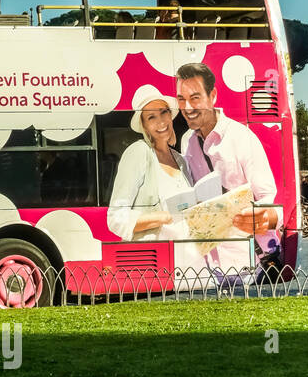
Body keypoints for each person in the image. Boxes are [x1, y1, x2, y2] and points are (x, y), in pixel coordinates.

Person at [176, 61, 279, 277]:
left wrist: (260, 216)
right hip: (209, 263)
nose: (187, 108)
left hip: (249, 261)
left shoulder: (242, 138)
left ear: (212, 96)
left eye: (195, 98)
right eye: (181, 99)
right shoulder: (187, 142)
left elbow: (271, 202)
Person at [106, 86, 204, 281]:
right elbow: (116, 218)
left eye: (163, 112)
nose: (160, 122)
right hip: (154, 269)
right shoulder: (139, 152)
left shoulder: (181, 160)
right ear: (144, 125)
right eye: (151, 117)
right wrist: (164, 217)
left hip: (189, 267)